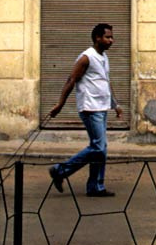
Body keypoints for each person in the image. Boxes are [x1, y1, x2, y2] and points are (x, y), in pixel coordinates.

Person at [48, 23, 123, 197]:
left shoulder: (103, 57)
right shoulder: (86, 57)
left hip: (101, 107)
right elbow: (71, 80)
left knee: (99, 148)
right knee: (99, 147)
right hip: (90, 108)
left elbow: (105, 82)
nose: (111, 40)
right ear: (98, 38)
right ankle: (60, 171)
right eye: (108, 37)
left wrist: (115, 105)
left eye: (111, 37)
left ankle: (95, 186)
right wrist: (60, 104)